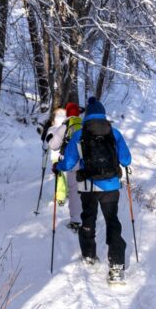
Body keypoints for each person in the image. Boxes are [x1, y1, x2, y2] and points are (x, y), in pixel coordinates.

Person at [53, 97, 131, 282]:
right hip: (111, 187)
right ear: (103, 114)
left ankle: (89, 255)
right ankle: (117, 266)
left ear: (87, 115)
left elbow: (70, 162)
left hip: (88, 187)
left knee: (88, 219)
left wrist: (58, 166)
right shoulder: (115, 133)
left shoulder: (79, 134)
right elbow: (126, 160)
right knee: (112, 221)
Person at [44, 102, 83, 231]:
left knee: (74, 191)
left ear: (68, 113)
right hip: (87, 163)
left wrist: (49, 138)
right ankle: (87, 219)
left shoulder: (65, 126)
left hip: (72, 163)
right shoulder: (84, 125)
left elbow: (54, 145)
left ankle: (76, 221)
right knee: (84, 191)